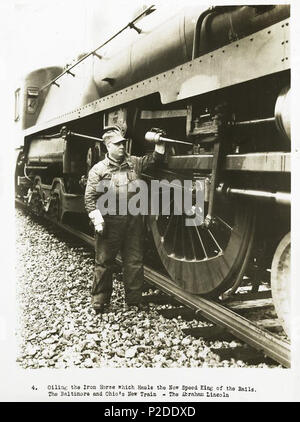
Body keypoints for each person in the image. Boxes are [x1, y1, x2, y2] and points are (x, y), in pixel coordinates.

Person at [84, 125, 165, 314]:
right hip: (110, 223)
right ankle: (99, 301)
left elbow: (154, 160)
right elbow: (89, 198)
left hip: (133, 221)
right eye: (118, 144)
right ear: (108, 147)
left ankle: (134, 300)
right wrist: (97, 220)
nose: (122, 147)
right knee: (104, 262)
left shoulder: (134, 163)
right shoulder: (99, 170)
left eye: (123, 143)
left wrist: (159, 144)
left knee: (134, 260)